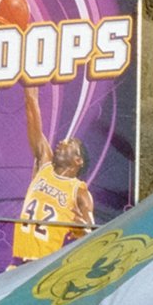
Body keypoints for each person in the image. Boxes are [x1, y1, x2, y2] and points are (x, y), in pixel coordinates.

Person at [10, 83, 96, 260]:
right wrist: (30, 86)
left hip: (41, 264)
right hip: (17, 261)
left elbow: (91, 233)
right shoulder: (44, 164)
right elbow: (32, 111)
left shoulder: (79, 190)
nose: (60, 144)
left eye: (68, 145)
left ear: (78, 161)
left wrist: (80, 227)